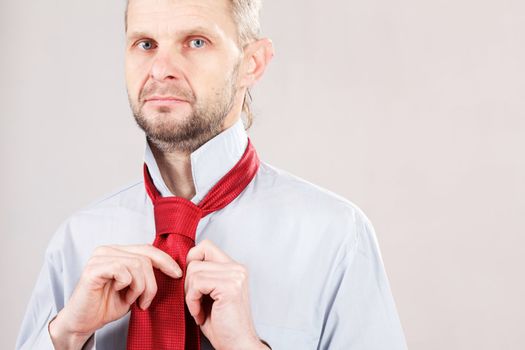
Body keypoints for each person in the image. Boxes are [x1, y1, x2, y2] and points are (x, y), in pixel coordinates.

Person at [16, 0, 408, 349]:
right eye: (146, 44)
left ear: (252, 63)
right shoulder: (76, 242)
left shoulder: (336, 238)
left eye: (196, 41)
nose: (161, 69)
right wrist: (66, 336)